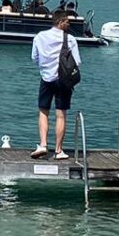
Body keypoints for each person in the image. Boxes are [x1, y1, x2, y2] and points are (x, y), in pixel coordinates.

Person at [31, 10, 83, 158]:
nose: (69, 23)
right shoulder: (70, 39)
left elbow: (34, 57)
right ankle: (59, 150)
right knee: (61, 115)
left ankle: (43, 144)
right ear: (60, 22)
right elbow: (77, 62)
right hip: (63, 80)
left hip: (46, 78)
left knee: (43, 112)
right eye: (67, 21)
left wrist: (45, 65)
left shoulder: (40, 36)